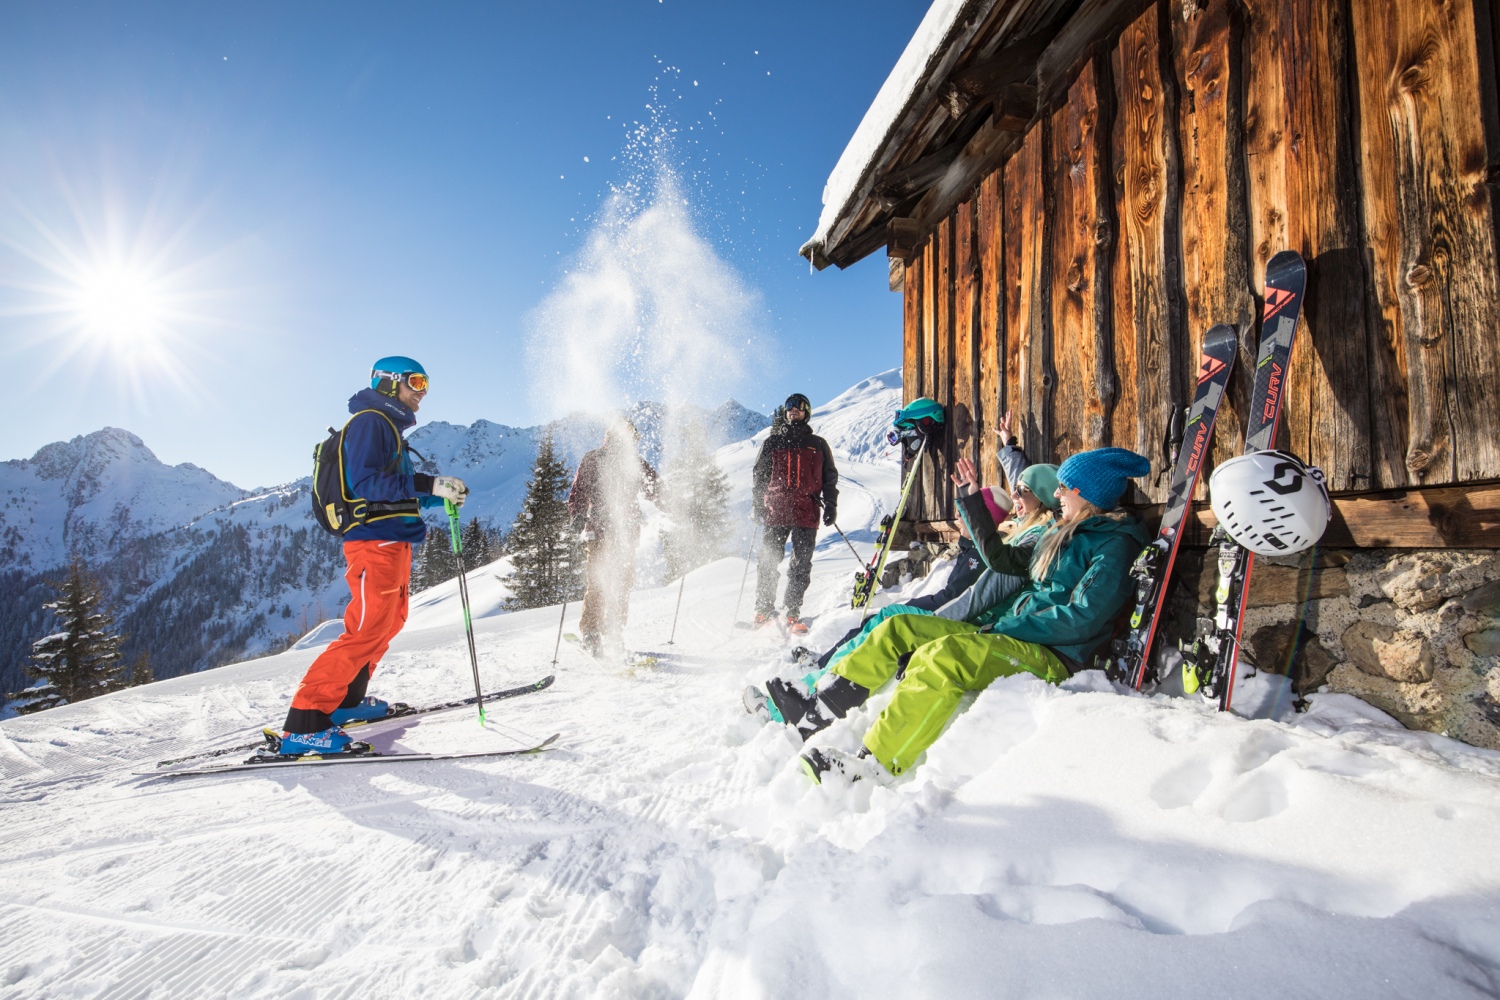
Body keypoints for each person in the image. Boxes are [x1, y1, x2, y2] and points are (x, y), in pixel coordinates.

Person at [770, 446, 1151, 783]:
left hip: (1056, 653)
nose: (1056, 494)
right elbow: (1001, 559)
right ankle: (818, 712)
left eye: (1064, 488)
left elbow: (1080, 618)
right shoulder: (1064, 534)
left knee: (944, 656)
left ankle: (874, 765)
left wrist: (1003, 627)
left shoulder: (1113, 545)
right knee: (898, 626)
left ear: (1087, 494)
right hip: (1016, 633)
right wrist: (971, 501)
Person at [279, 357, 468, 755]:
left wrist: (437, 494)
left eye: (426, 384)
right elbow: (366, 483)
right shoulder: (370, 422)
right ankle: (305, 721)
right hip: (373, 543)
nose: (421, 393)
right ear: (388, 384)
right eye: (415, 382)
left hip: (391, 540)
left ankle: (346, 702)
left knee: (387, 623)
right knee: (365, 629)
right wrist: (427, 482)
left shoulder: (387, 428)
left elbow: (394, 492)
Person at [568, 420, 660, 656]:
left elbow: (656, 489)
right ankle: (591, 633)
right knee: (600, 581)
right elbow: (580, 489)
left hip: (625, 534)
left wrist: (677, 507)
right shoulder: (595, 458)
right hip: (599, 532)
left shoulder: (634, 464)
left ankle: (613, 632)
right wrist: (577, 514)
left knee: (621, 584)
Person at [751, 393, 839, 634]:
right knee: (768, 560)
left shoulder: (818, 444)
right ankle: (763, 609)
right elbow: (759, 475)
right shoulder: (772, 442)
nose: (793, 410)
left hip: (806, 510)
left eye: (799, 407)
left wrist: (831, 504)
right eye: (789, 406)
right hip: (776, 509)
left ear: (806, 411)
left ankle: (792, 612)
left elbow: (830, 477)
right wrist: (757, 503)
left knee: (800, 564)